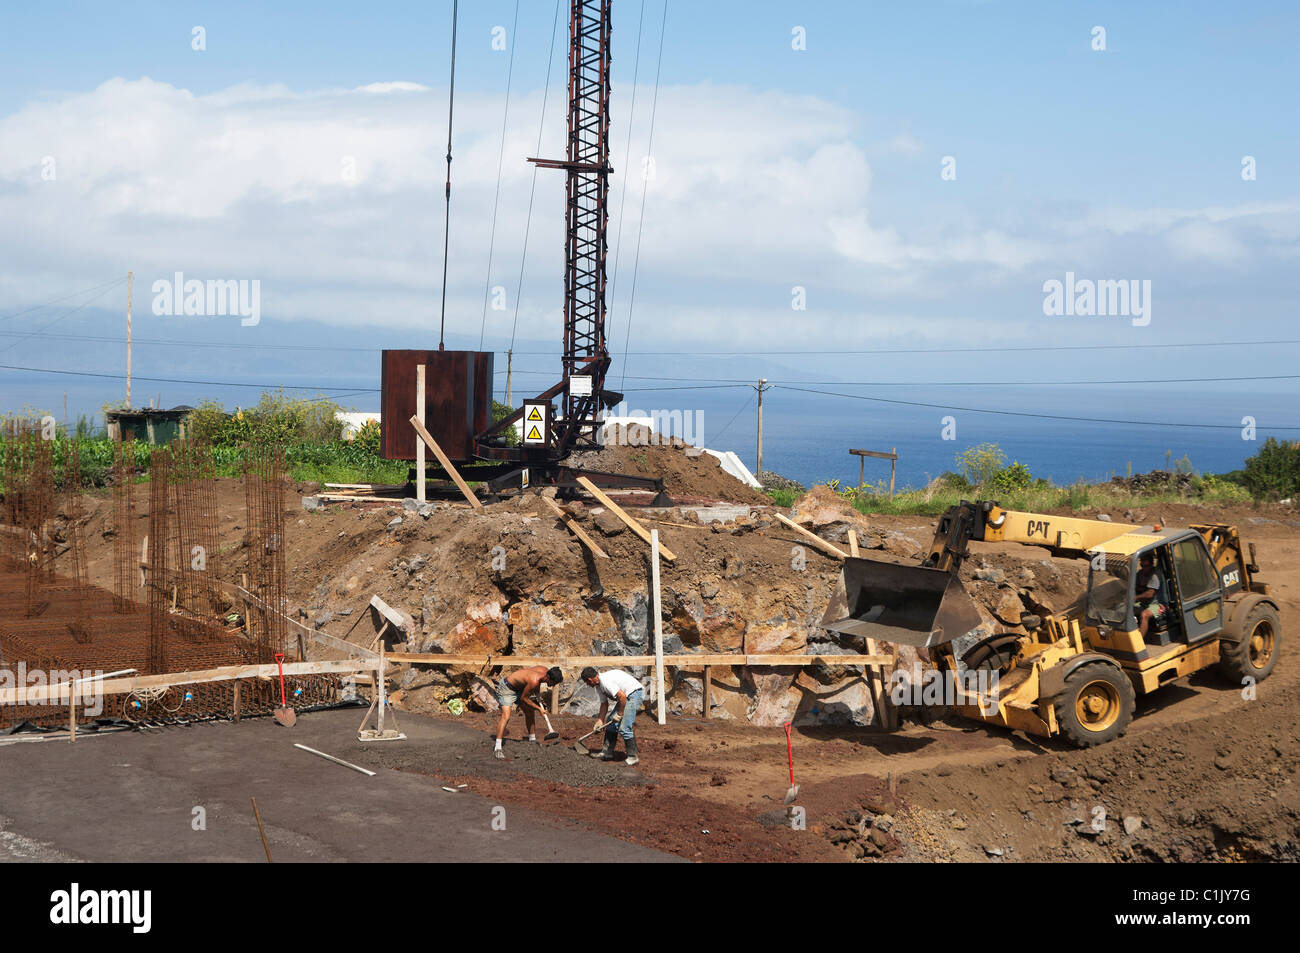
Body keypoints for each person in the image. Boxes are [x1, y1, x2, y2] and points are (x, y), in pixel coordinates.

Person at [493, 666, 563, 759]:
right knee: (506, 716)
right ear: (548, 678)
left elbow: (534, 679)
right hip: (507, 688)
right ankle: (497, 747)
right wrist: (539, 708)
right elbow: (524, 698)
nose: (553, 685)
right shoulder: (534, 681)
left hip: (520, 688)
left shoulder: (544, 671)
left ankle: (532, 740)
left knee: (530, 712)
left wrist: (537, 691)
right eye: (553, 683)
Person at [581, 666, 643, 766]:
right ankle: (607, 753)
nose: (588, 685)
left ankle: (633, 757)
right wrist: (600, 720)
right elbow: (604, 704)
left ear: (589, 679)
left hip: (633, 693)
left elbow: (622, 696)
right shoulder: (598, 686)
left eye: (587, 683)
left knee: (624, 727)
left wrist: (619, 714)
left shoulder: (605, 682)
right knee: (611, 723)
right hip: (625, 696)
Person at [1134, 552, 1167, 638]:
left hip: (1158, 605)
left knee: (1144, 615)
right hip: (1145, 603)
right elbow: (1135, 587)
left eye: (1147, 566)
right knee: (1127, 610)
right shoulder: (1140, 574)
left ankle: (1139, 642)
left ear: (1152, 565)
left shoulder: (1155, 575)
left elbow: (1150, 594)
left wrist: (1136, 597)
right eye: (1142, 566)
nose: (1144, 568)